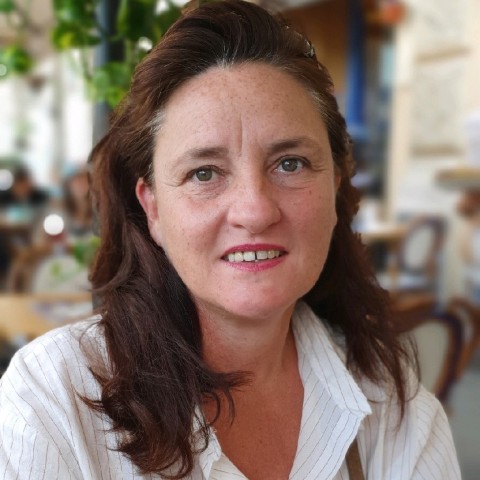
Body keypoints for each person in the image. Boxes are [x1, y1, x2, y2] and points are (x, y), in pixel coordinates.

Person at [0, 1, 460, 478]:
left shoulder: (395, 409)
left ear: (335, 185)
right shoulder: (51, 404)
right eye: (204, 172)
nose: (255, 211)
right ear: (153, 208)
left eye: (290, 164)